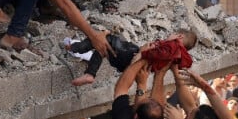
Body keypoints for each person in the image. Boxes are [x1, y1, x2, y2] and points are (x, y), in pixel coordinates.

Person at [68, 30, 196, 86]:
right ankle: (90, 74)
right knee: (103, 48)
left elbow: (158, 54)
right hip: (131, 64)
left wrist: (142, 53)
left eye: (173, 33)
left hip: (133, 57)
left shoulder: (174, 46)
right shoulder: (174, 52)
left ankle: (76, 47)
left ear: (179, 36)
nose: (170, 35)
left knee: (106, 40)